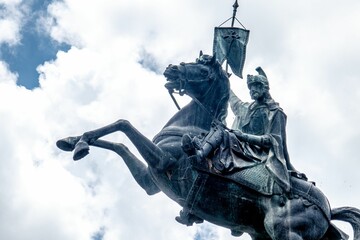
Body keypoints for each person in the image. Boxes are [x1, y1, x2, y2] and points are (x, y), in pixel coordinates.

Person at [182, 67, 306, 193]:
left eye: (255, 87)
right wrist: (224, 81)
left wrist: (243, 136)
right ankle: (202, 148)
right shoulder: (248, 108)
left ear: (264, 88)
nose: (251, 91)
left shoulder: (275, 112)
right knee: (217, 127)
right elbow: (234, 101)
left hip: (257, 152)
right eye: (250, 88)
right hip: (241, 145)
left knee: (224, 133)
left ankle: (200, 153)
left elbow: (271, 140)